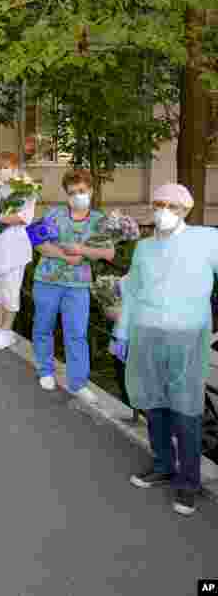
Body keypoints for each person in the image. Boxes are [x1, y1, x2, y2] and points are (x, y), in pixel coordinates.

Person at [113, 183, 218, 516]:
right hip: (147, 335)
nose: (163, 210)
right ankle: (162, 464)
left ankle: (188, 482)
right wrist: (122, 332)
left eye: (171, 205)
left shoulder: (206, 239)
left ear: (185, 209)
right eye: (158, 204)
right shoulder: (144, 248)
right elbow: (132, 292)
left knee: (186, 409)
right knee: (153, 403)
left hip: (188, 336)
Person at [31, 169, 114, 402]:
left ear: (91, 191)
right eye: (72, 192)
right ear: (66, 195)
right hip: (47, 280)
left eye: (82, 191)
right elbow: (38, 242)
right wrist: (66, 257)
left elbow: (109, 252)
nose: (78, 196)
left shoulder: (100, 220)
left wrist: (82, 251)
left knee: (76, 333)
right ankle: (45, 370)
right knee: (43, 326)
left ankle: (78, 382)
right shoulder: (54, 214)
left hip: (78, 286)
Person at [0, 152, 36, 351]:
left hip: (14, 249)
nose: (1, 170)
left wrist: (0, 219)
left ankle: (7, 331)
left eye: (5, 166)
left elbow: (23, 217)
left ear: (14, 167)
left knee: (10, 291)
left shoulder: (26, 189)